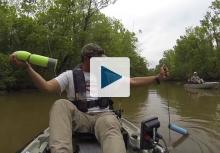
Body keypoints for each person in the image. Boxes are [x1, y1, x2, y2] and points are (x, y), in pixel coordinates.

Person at [9, 43, 168, 153]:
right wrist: (28, 68)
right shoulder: (69, 75)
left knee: (110, 122)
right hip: (80, 118)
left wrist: (157, 78)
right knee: (60, 104)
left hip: (103, 117)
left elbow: (133, 81)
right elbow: (46, 87)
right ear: (87, 58)